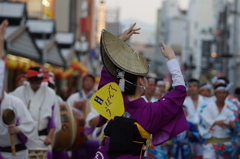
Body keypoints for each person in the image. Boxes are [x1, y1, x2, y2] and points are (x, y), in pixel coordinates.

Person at [94, 23, 188, 158]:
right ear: (141, 82)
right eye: (144, 78)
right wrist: (172, 59)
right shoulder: (151, 112)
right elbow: (180, 91)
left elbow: (107, 73)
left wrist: (118, 44)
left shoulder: (113, 101)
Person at [0, 20, 39, 159]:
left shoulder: (14, 102)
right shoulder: (16, 94)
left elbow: (30, 125)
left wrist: (18, 129)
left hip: (19, 153)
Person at [11, 67, 61, 159]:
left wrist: (49, 137)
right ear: (28, 80)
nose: (35, 83)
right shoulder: (19, 92)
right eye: (32, 80)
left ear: (42, 79)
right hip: (22, 137)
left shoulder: (50, 93)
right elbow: (11, 112)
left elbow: (54, 119)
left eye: (37, 80)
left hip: (42, 137)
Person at [198, 83, 237, 159]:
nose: (221, 95)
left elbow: (235, 124)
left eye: (223, 93)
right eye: (219, 92)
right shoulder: (207, 106)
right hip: (210, 143)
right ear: (215, 94)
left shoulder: (231, 108)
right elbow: (202, 121)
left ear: (227, 94)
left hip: (226, 142)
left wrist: (233, 125)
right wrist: (215, 122)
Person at [67, 73, 99, 159]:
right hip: (75, 134)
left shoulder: (97, 99)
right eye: (86, 80)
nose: (88, 83)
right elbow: (67, 114)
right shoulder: (73, 97)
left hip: (92, 135)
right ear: (82, 82)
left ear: (93, 83)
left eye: (91, 81)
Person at [183, 79, 205, 158]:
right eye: (190, 86)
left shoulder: (206, 101)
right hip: (187, 133)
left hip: (203, 133)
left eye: (194, 86)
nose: (192, 88)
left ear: (198, 88)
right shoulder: (184, 102)